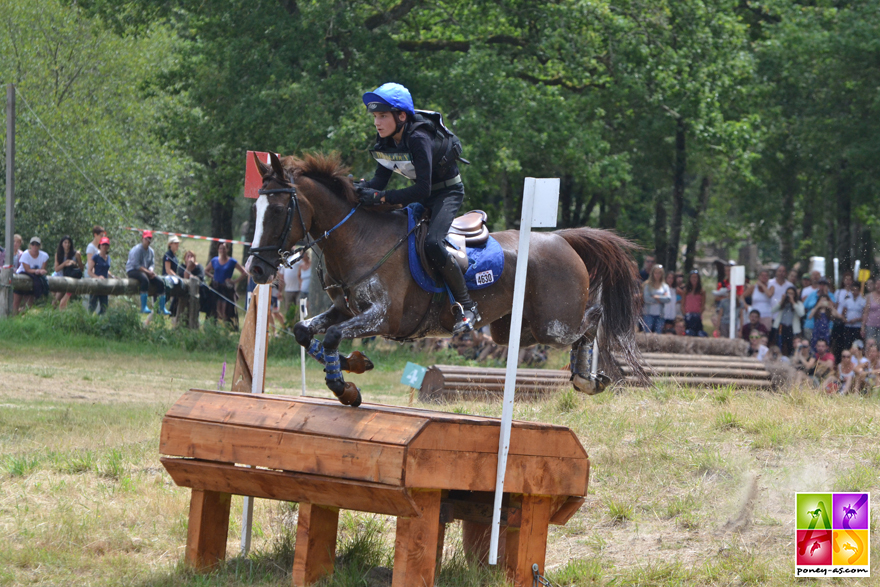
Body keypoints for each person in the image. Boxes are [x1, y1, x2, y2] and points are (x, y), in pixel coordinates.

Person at [355, 83, 478, 334]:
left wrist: (381, 198)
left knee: (433, 242)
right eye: (375, 117)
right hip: (424, 195)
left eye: (382, 116)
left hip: (446, 194)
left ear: (401, 116)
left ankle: (467, 307)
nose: (377, 123)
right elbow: (379, 183)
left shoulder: (419, 139)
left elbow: (420, 190)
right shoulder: (385, 140)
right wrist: (355, 189)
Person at [126, 230, 170, 315]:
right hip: (133, 270)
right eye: (146, 239)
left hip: (145, 271)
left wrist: (151, 271)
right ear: (142, 239)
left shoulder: (151, 251)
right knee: (144, 279)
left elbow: (152, 264)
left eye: (149, 239)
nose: (148, 241)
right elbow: (136, 265)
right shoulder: (137, 250)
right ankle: (143, 306)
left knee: (160, 282)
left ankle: (161, 307)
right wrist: (148, 272)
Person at [206, 241, 249, 325]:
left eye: (224, 248)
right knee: (216, 309)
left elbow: (244, 272)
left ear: (228, 249)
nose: (222, 250)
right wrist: (213, 277)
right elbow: (206, 271)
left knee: (225, 311)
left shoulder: (232, 261)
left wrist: (234, 281)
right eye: (220, 248)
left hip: (227, 289)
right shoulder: (214, 260)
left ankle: (226, 327)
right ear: (218, 249)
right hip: (216, 288)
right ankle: (215, 327)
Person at [13, 237, 50, 314]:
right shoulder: (25, 254)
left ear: (40, 246)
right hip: (21, 278)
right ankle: (12, 319)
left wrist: (39, 271)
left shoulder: (44, 256)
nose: (35, 246)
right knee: (16, 302)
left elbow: (42, 270)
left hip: (33, 280)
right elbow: (27, 269)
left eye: (37, 244)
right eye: (33, 244)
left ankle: (22, 319)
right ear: (30, 245)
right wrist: (37, 271)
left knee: (28, 305)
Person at [770, 287, 805, 356]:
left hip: (792, 328)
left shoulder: (798, 303)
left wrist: (793, 302)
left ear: (795, 295)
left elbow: (801, 314)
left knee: (791, 346)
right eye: (788, 293)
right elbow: (772, 310)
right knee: (779, 345)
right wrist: (782, 302)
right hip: (781, 327)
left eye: (791, 293)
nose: (789, 295)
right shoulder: (782, 302)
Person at [53, 235, 84, 310]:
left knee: (62, 301)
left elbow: (81, 268)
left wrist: (74, 264)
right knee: (55, 301)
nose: (67, 244)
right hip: (59, 276)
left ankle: (62, 315)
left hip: (71, 278)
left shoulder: (76, 254)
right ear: (62, 244)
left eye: (69, 242)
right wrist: (65, 263)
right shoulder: (58, 254)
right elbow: (56, 269)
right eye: (65, 242)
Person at [838, 281, 865, 359]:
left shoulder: (863, 301)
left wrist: (857, 319)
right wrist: (845, 320)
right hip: (848, 326)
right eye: (853, 290)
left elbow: (864, 314)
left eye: (856, 290)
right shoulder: (847, 300)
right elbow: (843, 313)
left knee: (857, 344)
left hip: (857, 326)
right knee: (847, 344)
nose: (854, 292)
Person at [87, 236, 114, 314]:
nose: (104, 246)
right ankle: (88, 322)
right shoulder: (96, 257)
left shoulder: (108, 258)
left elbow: (106, 270)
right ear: (100, 246)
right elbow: (89, 271)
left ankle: (100, 323)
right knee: (92, 305)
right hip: (96, 284)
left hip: (105, 284)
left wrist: (112, 276)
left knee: (104, 306)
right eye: (103, 245)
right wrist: (98, 277)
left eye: (106, 245)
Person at [803, 278, 835, 342]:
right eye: (820, 284)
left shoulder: (831, 295)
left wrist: (827, 294)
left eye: (824, 284)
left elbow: (833, 307)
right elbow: (804, 306)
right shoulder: (812, 294)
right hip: (810, 325)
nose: (822, 286)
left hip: (826, 327)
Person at [641, 265, 671, 333]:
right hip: (648, 314)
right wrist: (661, 299)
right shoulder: (647, 285)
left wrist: (657, 297)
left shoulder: (665, 286)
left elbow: (668, 299)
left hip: (660, 315)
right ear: (652, 273)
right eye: (656, 273)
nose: (657, 275)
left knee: (658, 334)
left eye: (659, 273)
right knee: (647, 334)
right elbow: (646, 299)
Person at [680, 270, 707, 336]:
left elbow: (703, 305)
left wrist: (699, 313)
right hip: (687, 315)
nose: (694, 279)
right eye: (692, 277)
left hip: (697, 315)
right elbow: (683, 304)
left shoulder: (701, 291)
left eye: (696, 277)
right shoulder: (686, 290)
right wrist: (685, 314)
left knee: (698, 333)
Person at [163, 236, 184, 317]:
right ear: (170, 244)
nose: (177, 245)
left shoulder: (174, 256)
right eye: (175, 243)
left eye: (178, 243)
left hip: (173, 279)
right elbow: (168, 270)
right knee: (162, 303)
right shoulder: (168, 255)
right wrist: (177, 276)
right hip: (167, 280)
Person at [861, 278, 880, 345]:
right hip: (870, 325)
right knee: (869, 344)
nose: (878, 286)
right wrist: (863, 327)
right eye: (877, 284)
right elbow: (866, 312)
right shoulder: (869, 296)